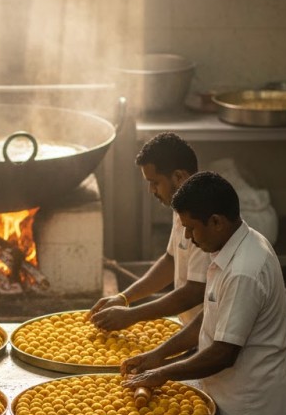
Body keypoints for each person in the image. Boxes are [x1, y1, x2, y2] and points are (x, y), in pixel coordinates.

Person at [121, 171, 286, 415]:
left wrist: (162, 373)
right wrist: (158, 354)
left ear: (216, 221)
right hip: (228, 398)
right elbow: (210, 317)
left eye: (191, 228)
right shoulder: (228, 247)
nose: (188, 238)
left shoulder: (244, 270)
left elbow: (223, 353)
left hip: (252, 413)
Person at [89, 132, 211, 330]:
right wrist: (123, 298)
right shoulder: (181, 206)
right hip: (189, 329)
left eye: (155, 182)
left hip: (210, 333)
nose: (151, 191)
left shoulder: (204, 218)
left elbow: (194, 291)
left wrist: (131, 315)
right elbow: (170, 261)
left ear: (179, 177)